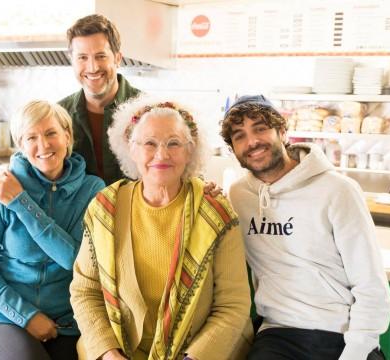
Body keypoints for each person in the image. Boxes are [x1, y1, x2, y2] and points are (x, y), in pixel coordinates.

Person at [70, 95, 253, 360]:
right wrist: (109, 353)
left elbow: (233, 306)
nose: (161, 154)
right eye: (149, 143)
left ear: (191, 150)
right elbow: (85, 290)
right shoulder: (105, 207)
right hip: (115, 350)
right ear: (131, 149)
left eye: (174, 143)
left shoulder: (215, 212)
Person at [220, 95, 390, 360]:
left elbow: (370, 281)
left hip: (343, 332)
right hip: (279, 333)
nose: (252, 142)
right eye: (239, 135)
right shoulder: (239, 195)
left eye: (260, 128)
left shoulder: (338, 190)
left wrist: (359, 347)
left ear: (283, 132)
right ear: (233, 148)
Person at [0, 100, 105, 360]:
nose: (43, 145)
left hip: (67, 320)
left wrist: (21, 203)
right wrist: (26, 316)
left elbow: (74, 261)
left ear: (67, 135)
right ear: (21, 145)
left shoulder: (92, 190)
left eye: (51, 133)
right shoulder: (0, 187)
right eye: (31, 137)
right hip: (1, 316)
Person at [59, 14, 141, 184]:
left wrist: (200, 187)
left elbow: (179, 163)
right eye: (82, 57)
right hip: (81, 211)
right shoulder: (58, 115)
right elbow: (31, 160)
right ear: (72, 61)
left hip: (134, 210)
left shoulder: (149, 109)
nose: (93, 67)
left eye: (100, 56)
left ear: (117, 59)